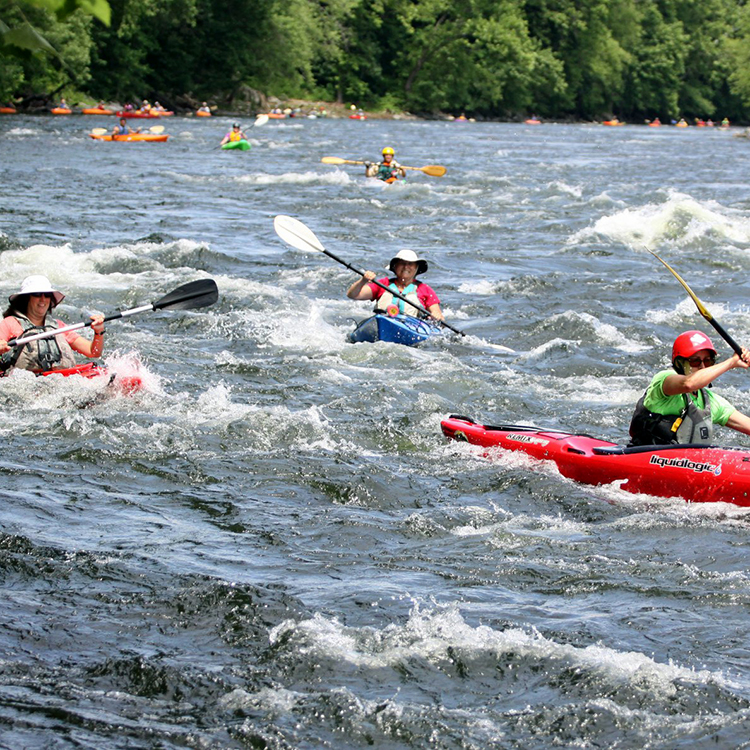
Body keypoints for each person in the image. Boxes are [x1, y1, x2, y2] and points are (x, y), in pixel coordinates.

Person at [629, 330, 750, 446]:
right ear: (679, 363)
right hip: (645, 454)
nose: (703, 366)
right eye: (695, 361)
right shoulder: (664, 380)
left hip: (688, 463)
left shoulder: (711, 401)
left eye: (708, 361)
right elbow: (689, 384)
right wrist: (732, 362)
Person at [0, 276, 105, 374]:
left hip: (61, 381)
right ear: (26, 298)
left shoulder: (58, 326)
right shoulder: (10, 323)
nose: (43, 299)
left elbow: (93, 352)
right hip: (27, 383)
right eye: (37, 294)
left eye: (47, 295)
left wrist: (98, 331)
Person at [346, 249, 444, 322]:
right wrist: (363, 280)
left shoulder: (425, 289)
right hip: (384, 322)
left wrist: (437, 316)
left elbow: (440, 318)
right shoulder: (382, 284)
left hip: (412, 327)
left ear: (416, 268)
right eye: (402, 263)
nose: (406, 267)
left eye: (410, 264)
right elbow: (353, 294)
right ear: (395, 266)